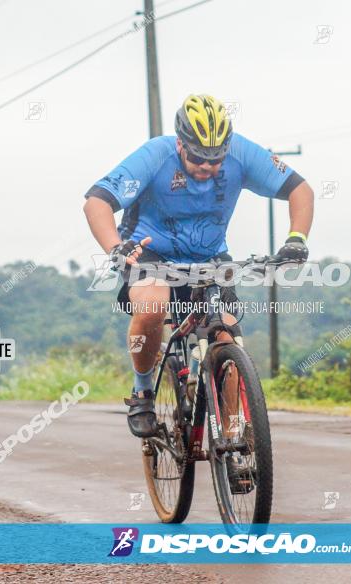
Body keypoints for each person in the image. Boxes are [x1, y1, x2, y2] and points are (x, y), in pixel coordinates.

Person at [83, 94, 314, 439]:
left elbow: (301, 190)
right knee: (151, 307)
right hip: (150, 251)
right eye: (197, 158)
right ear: (180, 143)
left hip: (208, 256)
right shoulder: (154, 155)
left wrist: (297, 238)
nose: (207, 167)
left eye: (216, 159)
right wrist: (116, 248)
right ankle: (143, 390)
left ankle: (235, 436)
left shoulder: (242, 152)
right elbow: (96, 202)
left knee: (226, 335)